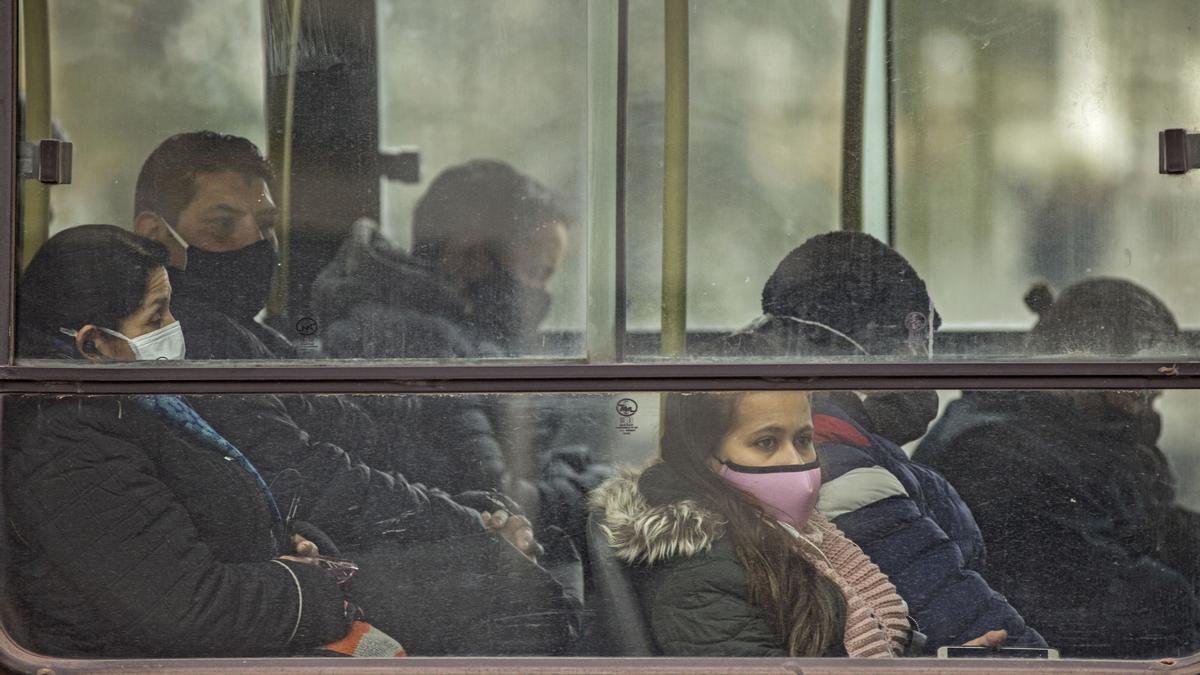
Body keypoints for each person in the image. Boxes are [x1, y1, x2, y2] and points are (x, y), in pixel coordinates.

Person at [6, 225, 366, 657]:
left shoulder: (134, 407)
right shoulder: (65, 447)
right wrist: (310, 587)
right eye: (156, 317)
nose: (175, 329)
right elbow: (187, 609)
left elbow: (197, 522)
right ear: (92, 344)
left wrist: (288, 542)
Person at [711, 231, 1043, 651]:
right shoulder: (831, 467)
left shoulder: (835, 445)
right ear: (851, 350)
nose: (920, 366)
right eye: (907, 341)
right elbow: (966, 620)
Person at [312, 160, 611, 549]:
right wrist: (604, 489)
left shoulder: (458, 335)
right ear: (468, 254)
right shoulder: (418, 344)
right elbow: (496, 495)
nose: (540, 293)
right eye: (535, 271)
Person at [591, 390, 1007, 657]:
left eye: (804, 440)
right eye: (766, 443)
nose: (796, 461)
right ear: (705, 459)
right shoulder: (699, 576)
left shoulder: (805, 537)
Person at [914, 278, 1200, 658]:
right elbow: (1123, 600)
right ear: (1097, 369)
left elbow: (1149, 523)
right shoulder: (997, 454)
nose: (1150, 400)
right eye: (1144, 382)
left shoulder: (1070, 434)